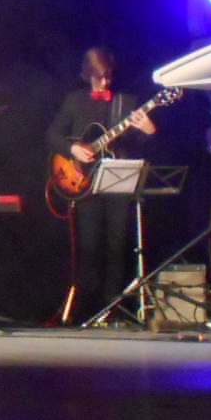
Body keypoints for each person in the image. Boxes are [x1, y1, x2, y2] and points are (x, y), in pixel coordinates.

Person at [45, 46, 158, 321]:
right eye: (99, 77)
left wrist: (149, 131)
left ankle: (113, 309)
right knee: (89, 246)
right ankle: (86, 308)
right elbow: (52, 135)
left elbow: (141, 144)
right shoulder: (74, 100)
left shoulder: (126, 101)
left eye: (108, 76)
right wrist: (73, 150)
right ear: (87, 75)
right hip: (84, 184)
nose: (105, 82)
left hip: (117, 182)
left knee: (118, 245)